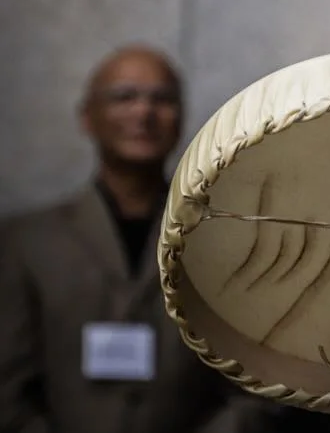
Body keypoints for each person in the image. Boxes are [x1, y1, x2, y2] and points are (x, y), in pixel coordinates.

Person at [0, 45, 266, 433]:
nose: (144, 112)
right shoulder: (27, 241)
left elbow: (252, 384)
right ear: (87, 117)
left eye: (161, 99)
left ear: (180, 117)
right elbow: (7, 386)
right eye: (124, 97)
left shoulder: (226, 239)